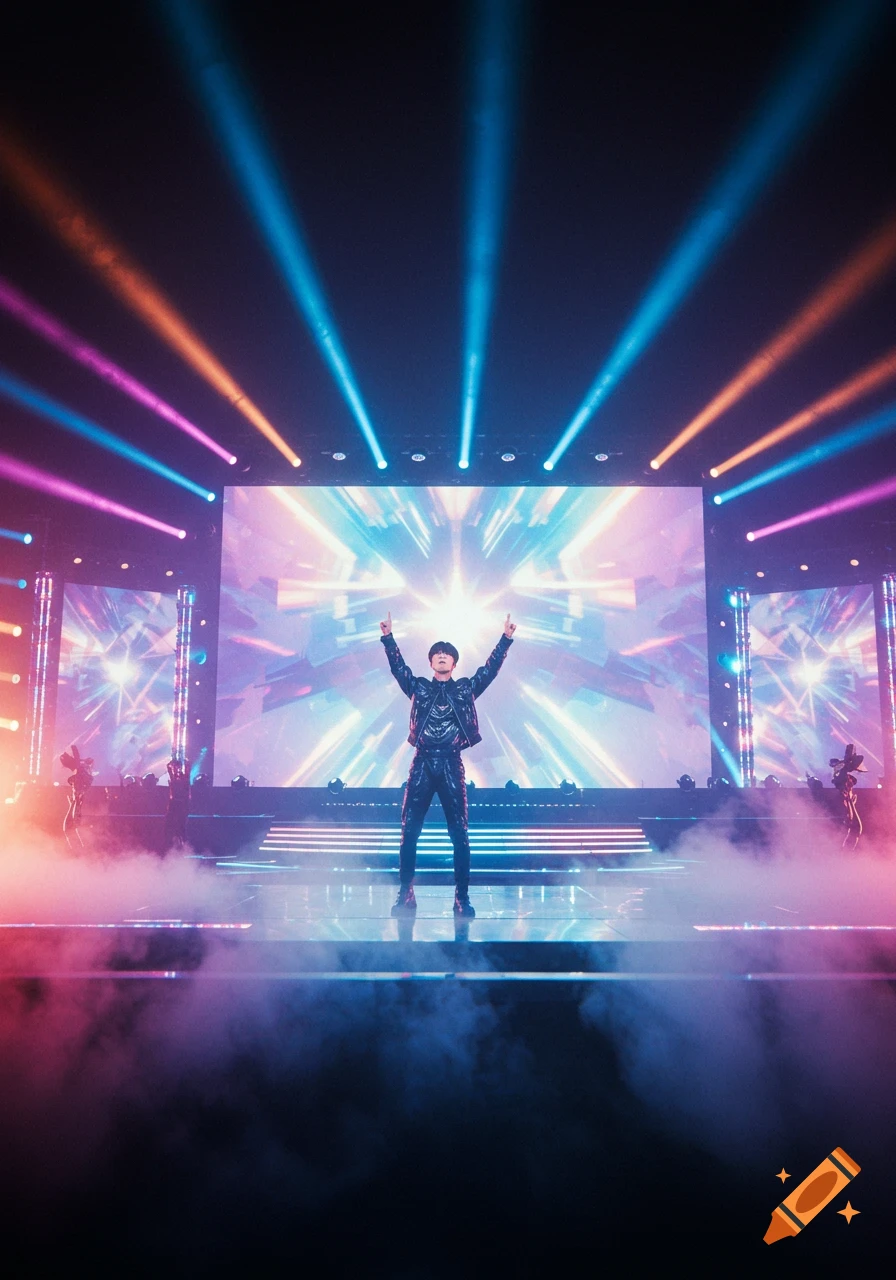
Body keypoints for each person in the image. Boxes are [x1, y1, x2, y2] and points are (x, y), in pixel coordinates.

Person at [379, 611, 516, 918]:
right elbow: (398, 668)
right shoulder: (419, 688)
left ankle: (461, 897)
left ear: (454, 663)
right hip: (423, 763)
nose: (442, 656)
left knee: (460, 833)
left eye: (447, 654)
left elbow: (490, 670)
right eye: (437, 654)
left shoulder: (466, 687)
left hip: (452, 764)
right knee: (409, 830)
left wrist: (505, 639)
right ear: (431, 663)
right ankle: (406, 892)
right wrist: (388, 638)